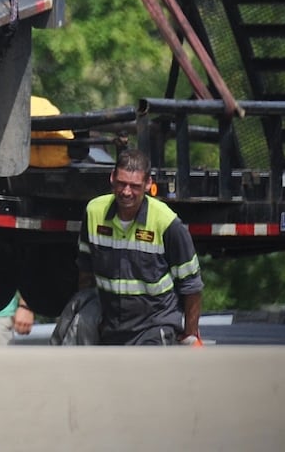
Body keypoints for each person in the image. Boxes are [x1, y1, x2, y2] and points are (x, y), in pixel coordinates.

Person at [76, 147, 203, 345]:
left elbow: (192, 285)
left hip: (155, 325)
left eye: (134, 186)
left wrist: (190, 335)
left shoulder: (166, 222)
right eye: (121, 184)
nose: (126, 192)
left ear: (148, 184)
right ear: (112, 178)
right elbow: (85, 271)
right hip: (111, 328)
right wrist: (90, 314)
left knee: (145, 374)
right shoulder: (94, 212)